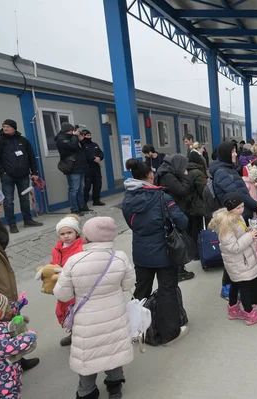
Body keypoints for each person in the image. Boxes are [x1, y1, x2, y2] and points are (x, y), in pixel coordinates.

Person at [53, 217, 135, 399]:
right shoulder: (120, 257)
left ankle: (87, 391)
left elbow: (62, 295)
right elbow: (128, 284)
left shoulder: (74, 261)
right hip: (115, 314)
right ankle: (115, 386)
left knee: (88, 356)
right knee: (114, 348)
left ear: (87, 237)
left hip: (86, 319)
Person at [122, 159, 189, 346]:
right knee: (167, 290)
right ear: (150, 175)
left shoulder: (127, 198)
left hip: (141, 252)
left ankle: (136, 330)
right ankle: (170, 333)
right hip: (165, 252)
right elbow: (182, 222)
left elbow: (132, 224)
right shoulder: (161, 196)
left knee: (141, 289)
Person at [0, 183, 39, 371]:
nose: (0, 210)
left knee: (12, 329)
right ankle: (4, 373)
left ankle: (18, 361)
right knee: (0, 333)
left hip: (2, 288)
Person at [208, 193, 257, 325]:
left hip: (238, 260)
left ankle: (233, 309)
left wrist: (249, 231)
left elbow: (239, 236)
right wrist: (250, 236)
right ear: (230, 208)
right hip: (238, 260)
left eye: (242, 206)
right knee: (244, 287)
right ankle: (250, 313)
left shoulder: (236, 218)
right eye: (238, 207)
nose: (242, 210)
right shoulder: (226, 225)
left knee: (235, 284)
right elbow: (233, 247)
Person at [0, 119, 43, 234]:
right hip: (7, 177)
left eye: (8, 126)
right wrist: (2, 172)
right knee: (8, 201)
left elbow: (31, 158)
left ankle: (28, 220)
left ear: (14, 128)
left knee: (24, 199)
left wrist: (35, 173)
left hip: (23, 175)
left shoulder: (23, 141)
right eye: (4, 126)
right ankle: (12, 224)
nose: (5, 128)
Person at [0, 291, 38, 399]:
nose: (9, 310)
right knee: (9, 394)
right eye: (6, 308)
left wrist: (18, 303)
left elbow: (1, 307)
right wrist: (29, 337)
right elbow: (9, 347)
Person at [154, 154, 195, 281]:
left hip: (170, 209)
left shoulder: (166, 171)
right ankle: (179, 271)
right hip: (173, 211)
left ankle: (179, 269)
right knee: (177, 239)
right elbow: (181, 190)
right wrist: (186, 176)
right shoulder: (168, 176)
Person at [51, 214, 85, 346]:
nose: (66, 236)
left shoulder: (81, 247)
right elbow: (54, 263)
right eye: (62, 233)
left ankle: (79, 336)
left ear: (76, 232)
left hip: (76, 286)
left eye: (69, 232)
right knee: (67, 311)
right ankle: (72, 332)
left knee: (78, 310)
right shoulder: (57, 248)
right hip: (62, 285)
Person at [209, 141, 257, 220]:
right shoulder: (222, 172)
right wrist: (255, 205)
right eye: (232, 152)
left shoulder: (228, 169)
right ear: (225, 153)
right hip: (235, 215)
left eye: (235, 151)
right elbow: (238, 193)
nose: (236, 154)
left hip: (239, 212)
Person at [55, 123, 90, 215]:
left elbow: (83, 149)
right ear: (68, 130)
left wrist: (81, 140)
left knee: (81, 188)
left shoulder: (72, 138)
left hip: (80, 167)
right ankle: (74, 209)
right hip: (73, 168)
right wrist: (75, 136)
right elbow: (72, 147)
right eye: (72, 130)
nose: (73, 132)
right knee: (74, 189)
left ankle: (82, 206)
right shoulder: (61, 139)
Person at [185, 151, 210, 248]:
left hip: (189, 203)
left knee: (192, 227)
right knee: (198, 227)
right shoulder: (197, 172)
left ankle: (192, 248)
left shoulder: (186, 171)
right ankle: (198, 250)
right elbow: (202, 190)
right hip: (198, 203)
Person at [81, 127, 105, 207]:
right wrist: (93, 158)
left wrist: (99, 158)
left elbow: (101, 153)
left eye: (90, 135)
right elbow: (85, 155)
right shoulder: (82, 146)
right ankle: (84, 202)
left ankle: (96, 200)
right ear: (83, 136)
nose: (89, 137)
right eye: (87, 135)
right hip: (87, 168)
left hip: (96, 167)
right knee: (87, 186)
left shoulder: (94, 145)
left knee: (98, 184)